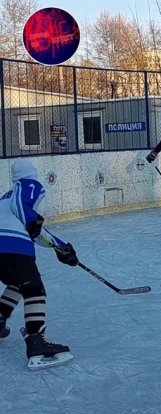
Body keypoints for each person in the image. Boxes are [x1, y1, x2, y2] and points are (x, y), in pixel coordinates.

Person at [0, 157, 79, 369]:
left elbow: (35, 230)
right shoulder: (28, 185)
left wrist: (61, 247)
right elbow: (26, 213)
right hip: (14, 246)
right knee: (35, 290)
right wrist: (32, 221)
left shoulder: (4, 199)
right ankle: (36, 342)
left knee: (18, 282)